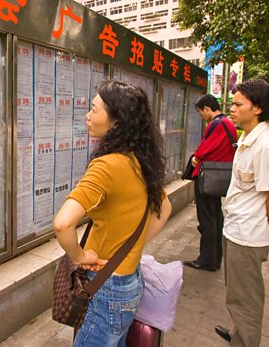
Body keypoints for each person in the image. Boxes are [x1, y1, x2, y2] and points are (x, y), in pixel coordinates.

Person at [53, 80, 172, 347]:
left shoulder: (107, 165)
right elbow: (165, 208)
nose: (88, 115)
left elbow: (62, 224)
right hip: (130, 281)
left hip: (105, 289)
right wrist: (133, 246)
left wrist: (80, 256)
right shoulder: (139, 158)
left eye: (94, 109)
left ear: (116, 122)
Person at [215, 79, 269, 347]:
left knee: (246, 299)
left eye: (237, 104)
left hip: (248, 234)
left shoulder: (267, 145)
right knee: (236, 290)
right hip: (235, 228)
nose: (231, 109)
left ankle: (245, 340)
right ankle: (238, 331)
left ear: (256, 108)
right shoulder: (247, 137)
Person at [183, 94, 237, 272]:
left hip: (207, 178)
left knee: (207, 219)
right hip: (218, 177)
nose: (201, 116)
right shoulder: (228, 123)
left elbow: (205, 148)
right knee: (215, 217)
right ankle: (215, 259)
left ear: (207, 108)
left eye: (200, 112)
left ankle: (206, 260)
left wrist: (195, 159)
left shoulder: (217, 123)